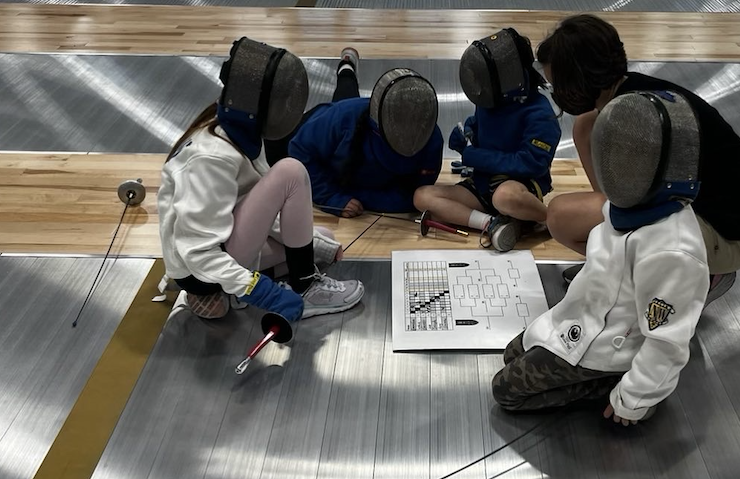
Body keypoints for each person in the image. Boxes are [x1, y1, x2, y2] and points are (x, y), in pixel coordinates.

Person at [492, 90, 710, 426]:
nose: (615, 166)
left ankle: (609, 381)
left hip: (610, 348)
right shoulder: (624, 208)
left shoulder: (674, 252)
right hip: (581, 319)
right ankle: (594, 370)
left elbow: (669, 342)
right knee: (511, 355)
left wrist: (633, 399)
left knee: (506, 392)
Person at [537, 14, 740, 304]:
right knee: (586, 126)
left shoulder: (632, 119)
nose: (557, 95)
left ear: (580, 78)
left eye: (558, 85)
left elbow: (637, 205)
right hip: (711, 218)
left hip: (728, 237)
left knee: (561, 216)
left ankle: (693, 277)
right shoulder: (625, 93)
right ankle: (623, 266)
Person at [156, 37, 364, 323]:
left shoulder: (239, 130)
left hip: (225, 243)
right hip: (198, 268)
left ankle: (230, 291)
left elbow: (259, 206)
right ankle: (303, 288)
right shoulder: (210, 158)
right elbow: (197, 252)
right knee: (290, 172)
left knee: (322, 240)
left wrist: (316, 244)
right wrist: (265, 293)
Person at [413, 28, 562, 252]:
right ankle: (492, 224)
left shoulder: (541, 113)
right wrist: (468, 132)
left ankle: (551, 220)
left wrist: (475, 156)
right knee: (422, 196)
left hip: (520, 186)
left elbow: (531, 163)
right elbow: (482, 122)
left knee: (505, 197)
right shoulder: (491, 98)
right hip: (482, 186)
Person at [265, 49, 444, 218]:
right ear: (376, 126)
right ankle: (346, 69)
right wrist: (331, 198)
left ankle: (347, 68)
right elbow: (300, 151)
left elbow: (414, 196)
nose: (406, 134)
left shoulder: (432, 140)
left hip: (347, 157)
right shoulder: (342, 119)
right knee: (272, 159)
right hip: (318, 131)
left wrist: (358, 197)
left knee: (346, 101)